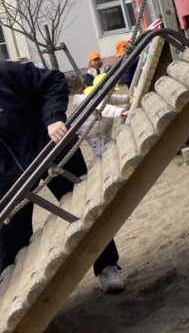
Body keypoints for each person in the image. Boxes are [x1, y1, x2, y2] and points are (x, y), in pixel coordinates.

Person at [0, 61, 125, 292]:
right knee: (11, 233)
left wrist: (53, 118)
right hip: (9, 172)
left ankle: (107, 265)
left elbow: (54, 80)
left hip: (51, 145)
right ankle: (16, 292)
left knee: (84, 206)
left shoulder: (7, 73)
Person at [72, 73, 130, 160]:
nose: (112, 92)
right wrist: (121, 112)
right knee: (99, 149)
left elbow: (114, 98)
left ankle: (109, 145)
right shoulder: (92, 99)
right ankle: (98, 160)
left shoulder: (103, 94)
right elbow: (103, 108)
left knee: (107, 135)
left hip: (100, 125)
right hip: (90, 130)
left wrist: (126, 98)